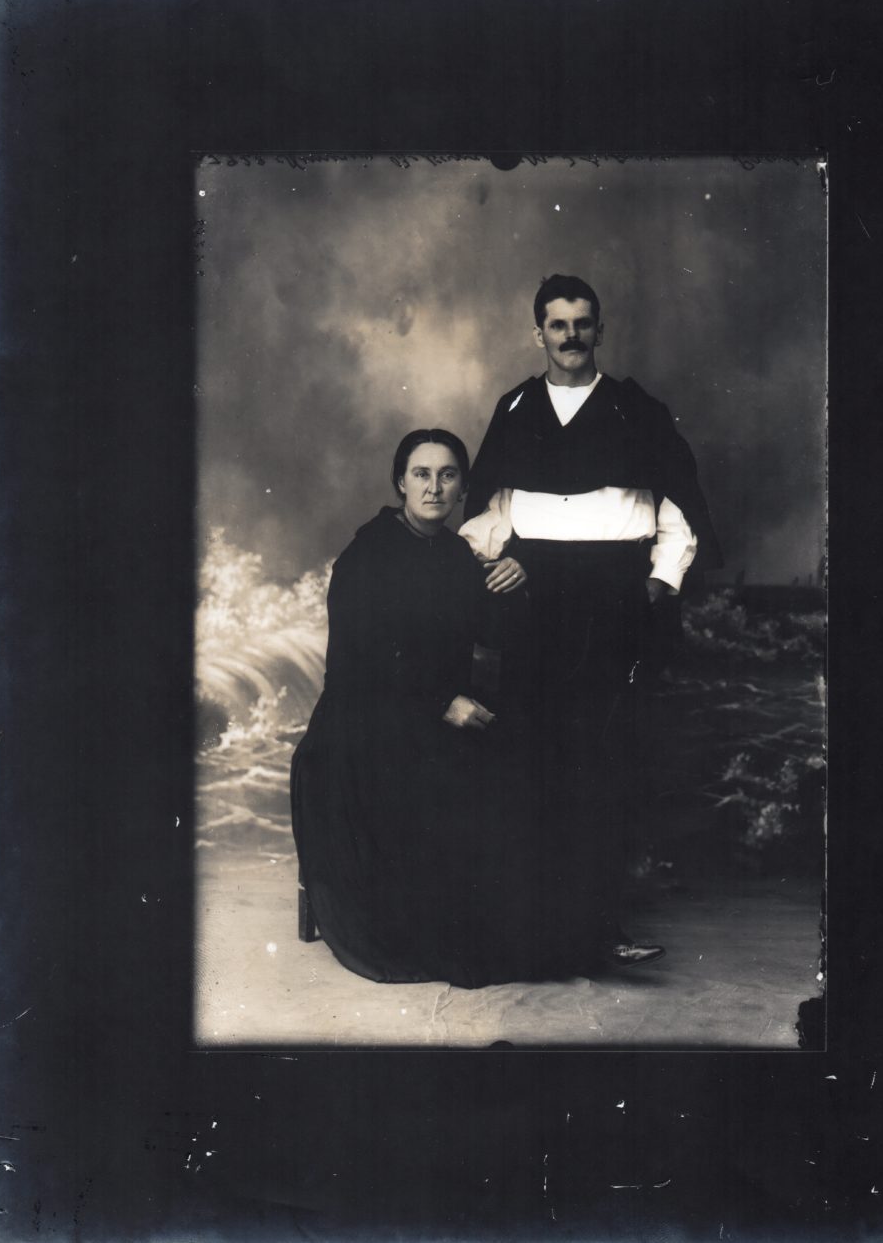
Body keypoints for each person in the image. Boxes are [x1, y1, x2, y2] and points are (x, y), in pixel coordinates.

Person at [459, 274, 722, 969]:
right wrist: (497, 564)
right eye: (558, 324)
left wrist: (659, 584)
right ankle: (534, 933)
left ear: (599, 330)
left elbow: (678, 509)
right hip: (534, 604)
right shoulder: (516, 407)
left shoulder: (637, 409)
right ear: (538, 333)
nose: (570, 335)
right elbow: (488, 511)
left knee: (605, 764)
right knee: (532, 759)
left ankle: (601, 930)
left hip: (614, 604)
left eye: (582, 323)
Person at [290, 429, 572, 987]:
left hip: (432, 721)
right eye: (421, 474)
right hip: (361, 726)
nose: (434, 487)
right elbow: (354, 666)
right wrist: (440, 703)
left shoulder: (455, 555)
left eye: (448, 475)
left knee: (525, 771)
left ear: (463, 487)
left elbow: (492, 631)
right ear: (401, 482)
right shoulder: (366, 556)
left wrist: (519, 577)